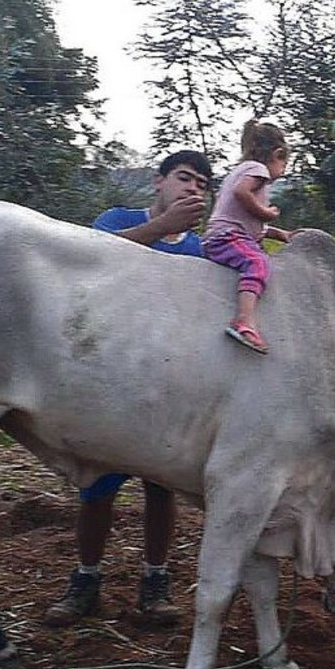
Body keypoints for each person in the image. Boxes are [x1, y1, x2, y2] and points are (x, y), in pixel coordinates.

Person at [42, 149, 214, 628]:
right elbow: (89, 261)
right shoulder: (116, 221)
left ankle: (155, 583)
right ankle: (85, 581)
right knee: (97, 488)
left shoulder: (198, 250)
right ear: (158, 181)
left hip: (169, 389)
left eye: (202, 184)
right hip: (110, 384)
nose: (193, 188)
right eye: (184, 178)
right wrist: (160, 229)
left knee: (161, 490)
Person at [203, 120, 294, 354]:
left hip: (224, 235)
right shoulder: (257, 170)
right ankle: (244, 321)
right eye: (284, 164)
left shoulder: (239, 171)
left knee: (255, 255)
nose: (283, 172)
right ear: (277, 154)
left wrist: (278, 233)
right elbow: (241, 193)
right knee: (257, 262)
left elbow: (247, 222)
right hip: (227, 237)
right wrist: (266, 213)